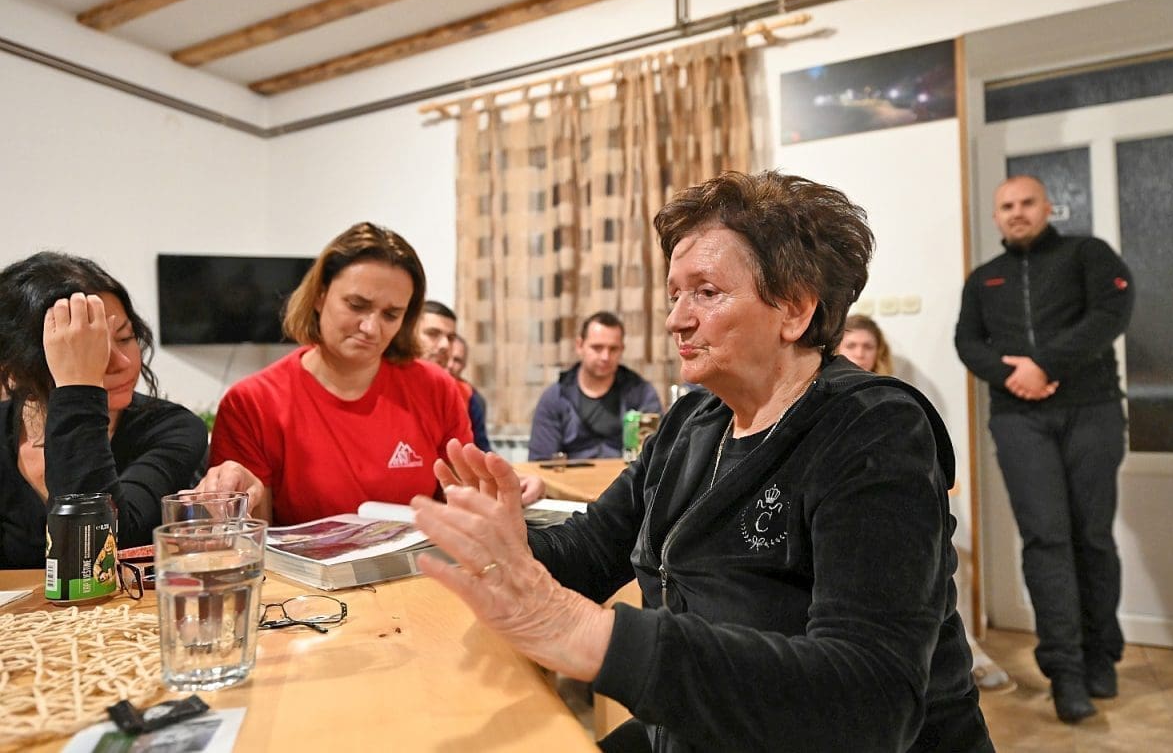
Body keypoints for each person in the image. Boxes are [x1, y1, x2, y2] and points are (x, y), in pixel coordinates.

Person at [412, 171, 993, 752]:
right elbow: (594, 547)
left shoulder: (873, 430)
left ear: (794, 310)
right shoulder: (692, 423)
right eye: (675, 295)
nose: (676, 319)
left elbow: (871, 700)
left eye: (706, 292)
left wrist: (594, 637)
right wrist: (511, 547)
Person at [955, 174, 1134, 723]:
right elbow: (967, 342)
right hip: (1019, 419)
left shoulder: (1088, 254)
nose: (1017, 212)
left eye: (1026, 202)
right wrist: (1014, 376)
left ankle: (1101, 655)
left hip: (1092, 410)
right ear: (996, 216)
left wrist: (1046, 365)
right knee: (1046, 539)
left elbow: (1111, 314)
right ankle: (1066, 672)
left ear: (1047, 206)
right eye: (1006, 205)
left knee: (1092, 536)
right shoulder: (984, 278)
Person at [200, 223, 476, 525]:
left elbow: (466, 508)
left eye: (391, 314)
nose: (371, 328)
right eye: (357, 305)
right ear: (319, 296)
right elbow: (252, 539)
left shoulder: (436, 388)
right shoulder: (252, 403)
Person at [837, 313, 1013, 692]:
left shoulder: (894, 397)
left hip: (894, 500)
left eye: (867, 346)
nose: (860, 353)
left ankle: (965, 648)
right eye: (851, 345)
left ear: (879, 352)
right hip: (853, 508)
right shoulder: (824, 396)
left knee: (944, 553)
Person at [0, 252, 208, 568]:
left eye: (125, 338)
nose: (121, 362)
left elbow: (98, 550)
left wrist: (78, 389)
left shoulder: (171, 427)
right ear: (20, 364)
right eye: (89, 348)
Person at [528, 312, 662, 461]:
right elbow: (540, 461)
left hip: (627, 474)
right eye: (597, 348)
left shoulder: (641, 393)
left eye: (613, 349)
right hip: (571, 475)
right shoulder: (555, 397)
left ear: (622, 349)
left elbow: (656, 454)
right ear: (579, 346)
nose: (605, 357)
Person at [419, 301, 491, 452]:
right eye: (433, 334)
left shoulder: (463, 394)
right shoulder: (383, 381)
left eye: (451, 338)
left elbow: (473, 454)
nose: (445, 345)